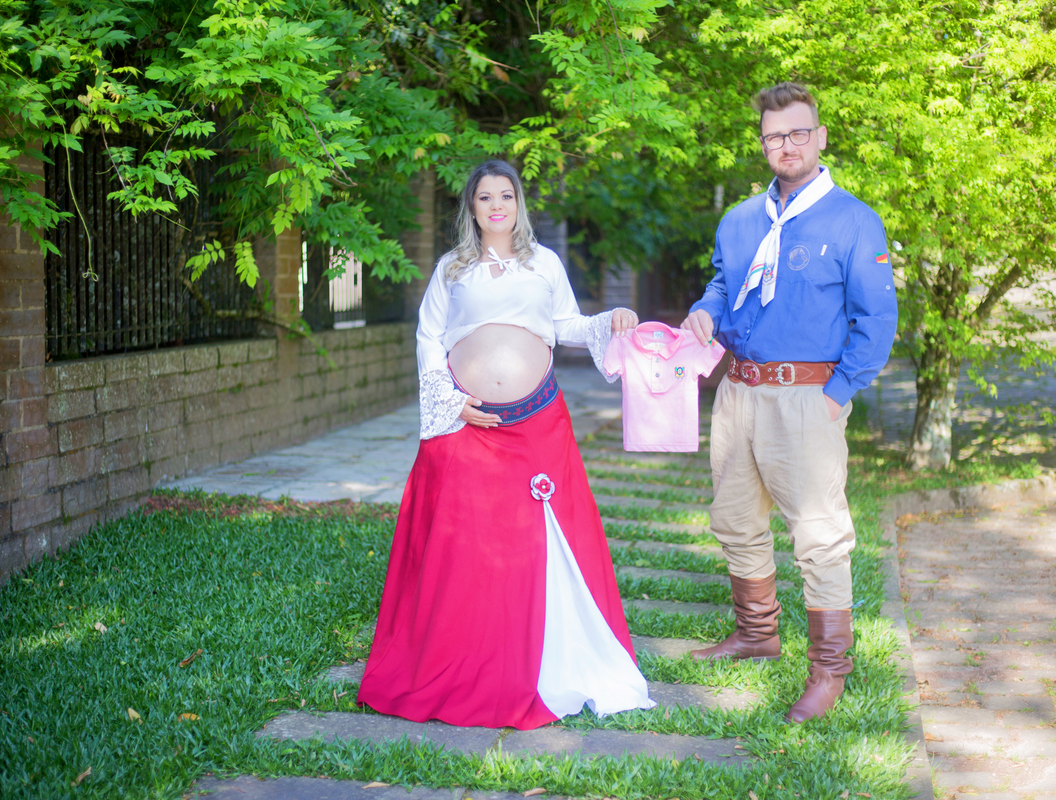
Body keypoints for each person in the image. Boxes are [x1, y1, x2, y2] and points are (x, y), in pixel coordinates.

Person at [356, 160, 655, 730]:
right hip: (465, 424)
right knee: (460, 543)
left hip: (535, 423)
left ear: (519, 205)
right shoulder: (452, 269)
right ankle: (454, 658)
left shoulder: (544, 264)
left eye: (507, 196)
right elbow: (428, 337)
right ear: (471, 207)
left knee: (539, 544)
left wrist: (607, 320)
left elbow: (565, 324)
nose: (497, 206)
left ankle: (548, 658)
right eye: (485, 197)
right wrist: (448, 401)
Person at [681, 82, 898, 722]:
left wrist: (839, 394)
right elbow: (725, 283)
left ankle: (830, 668)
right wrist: (702, 309)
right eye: (775, 136)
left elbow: (876, 318)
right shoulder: (740, 219)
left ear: (821, 136)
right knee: (736, 519)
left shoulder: (855, 221)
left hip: (808, 397)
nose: (787, 145)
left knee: (819, 534)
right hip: (738, 392)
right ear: (763, 143)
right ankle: (757, 633)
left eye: (799, 132)